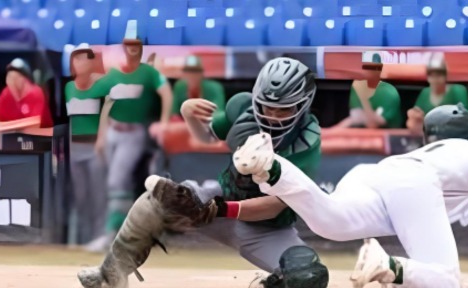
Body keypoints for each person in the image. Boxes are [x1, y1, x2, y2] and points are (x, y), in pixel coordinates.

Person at [231, 103, 468, 288]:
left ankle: (272, 166)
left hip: (377, 171)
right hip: (414, 182)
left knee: (329, 222)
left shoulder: (431, 151)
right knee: (446, 282)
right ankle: (388, 265)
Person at [77, 57, 329, 288]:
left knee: (307, 274)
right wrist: (189, 115)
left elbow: (274, 205)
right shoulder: (242, 107)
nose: (273, 117)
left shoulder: (307, 140)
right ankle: (111, 274)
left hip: (267, 229)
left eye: (283, 109)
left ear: (303, 104)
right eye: (266, 107)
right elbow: (206, 137)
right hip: (224, 195)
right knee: (157, 199)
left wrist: (221, 209)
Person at [86, 30, 173, 252]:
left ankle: (115, 234)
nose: (132, 47)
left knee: (117, 181)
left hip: (134, 134)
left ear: (141, 47)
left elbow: (166, 93)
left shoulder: (147, 73)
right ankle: (114, 233)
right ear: (124, 47)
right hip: (113, 132)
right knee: (112, 184)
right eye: (129, 44)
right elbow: (107, 104)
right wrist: (101, 135)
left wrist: (163, 122)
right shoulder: (115, 75)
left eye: (136, 44)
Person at [65, 44, 110, 245]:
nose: (79, 63)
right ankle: (78, 240)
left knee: (98, 195)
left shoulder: (101, 86)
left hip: (94, 148)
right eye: (76, 58)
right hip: (74, 148)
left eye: (84, 59)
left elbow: (115, 90)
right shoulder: (68, 88)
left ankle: (100, 237)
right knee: (80, 196)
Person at [407, 57, 468, 133]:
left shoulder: (458, 91)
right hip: (428, 133)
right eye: (432, 76)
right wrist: (414, 114)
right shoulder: (425, 92)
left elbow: (464, 118)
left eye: (439, 76)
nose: (435, 80)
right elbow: (416, 113)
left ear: (445, 76)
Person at [0, 58, 53, 128]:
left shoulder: (36, 93)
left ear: (25, 79)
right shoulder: (6, 93)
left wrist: (5, 126)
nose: (12, 81)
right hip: (12, 135)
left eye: (16, 77)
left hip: (41, 136)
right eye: (10, 76)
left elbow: (34, 124)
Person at [333, 67, 402, 129]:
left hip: (389, 136)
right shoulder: (357, 86)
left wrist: (363, 98)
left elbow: (372, 125)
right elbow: (356, 117)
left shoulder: (389, 92)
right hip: (363, 133)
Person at [171, 55, 226, 120]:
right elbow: (174, 115)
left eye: (196, 71)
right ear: (184, 74)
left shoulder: (214, 88)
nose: (192, 75)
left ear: (202, 73)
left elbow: (218, 115)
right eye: (188, 72)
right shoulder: (179, 87)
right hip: (185, 125)